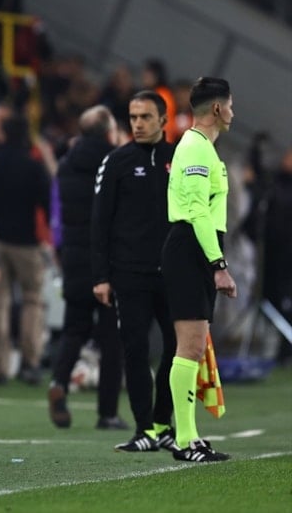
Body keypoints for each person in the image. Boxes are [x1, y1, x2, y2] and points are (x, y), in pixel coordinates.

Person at [91, 91, 178, 452]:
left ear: (163, 120)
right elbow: (99, 221)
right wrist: (101, 275)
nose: (138, 124)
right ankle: (144, 430)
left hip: (175, 274)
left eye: (145, 117)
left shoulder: (180, 158)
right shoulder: (117, 161)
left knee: (177, 350)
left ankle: (164, 422)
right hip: (130, 274)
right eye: (133, 117)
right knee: (136, 350)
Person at [161, 77, 236, 462]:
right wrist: (218, 265)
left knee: (193, 345)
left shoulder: (202, 148)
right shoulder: (194, 148)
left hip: (197, 248)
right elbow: (196, 211)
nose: (233, 112)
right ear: (218, 109)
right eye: (231, 105)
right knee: (189, 346)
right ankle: (185, 440)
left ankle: (188, 437)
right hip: (191, 248)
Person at [48, 105, 127, 429]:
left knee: (74, 328)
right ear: (109, 132)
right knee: (112, 338)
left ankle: (59, 382)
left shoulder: (66, 164)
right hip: (108, 258)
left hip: (74, 255)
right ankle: (107, 412)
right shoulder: (116, 162)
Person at [0, 115, 52, 385]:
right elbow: (48, 204)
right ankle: (31, 363)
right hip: (27, 243)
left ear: (3, 135)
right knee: (33, 301)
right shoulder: (34, 167)